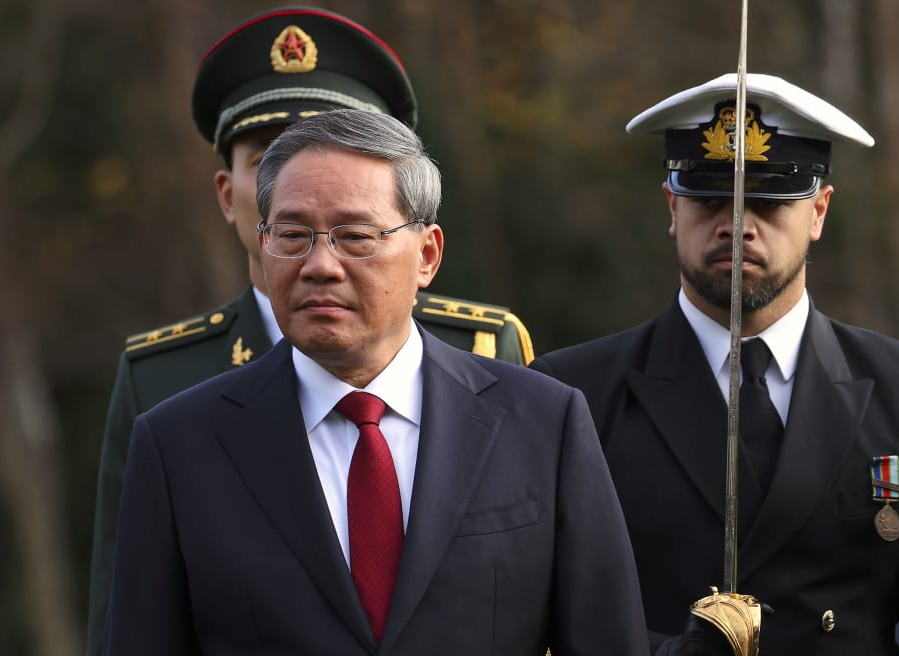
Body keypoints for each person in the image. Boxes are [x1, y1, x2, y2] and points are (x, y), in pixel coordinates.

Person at [103, 108, 648, 655]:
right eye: (292, 235)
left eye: (356, 236)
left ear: (427, 255)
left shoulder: (542, 423)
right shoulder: (179, 446)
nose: (320, 264)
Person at [85, 9, 533, 654]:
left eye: (340, 161)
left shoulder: (484, 354)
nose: (307, 181)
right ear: (229, 193)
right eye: (272, 161)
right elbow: (124, 613)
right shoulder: (162, 381)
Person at [531, 73, 899, 655]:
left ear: (818, 212)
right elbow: (536, 619)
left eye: (768, 199)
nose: (738, 224)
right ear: (672, 206)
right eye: (710, 197)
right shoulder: (572, 394)